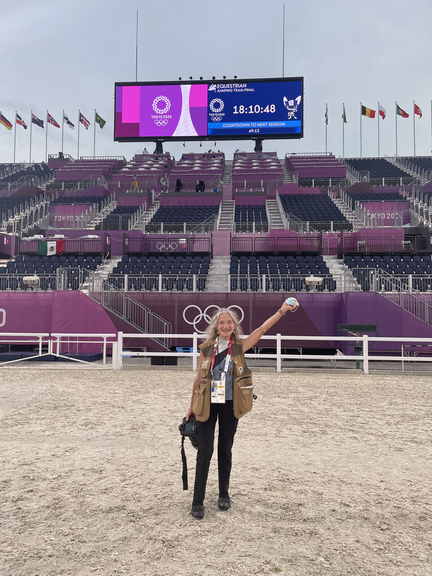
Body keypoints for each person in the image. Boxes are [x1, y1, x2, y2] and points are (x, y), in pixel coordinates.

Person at [186, 298, 299, 519]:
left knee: (225, 449)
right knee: (205, 451)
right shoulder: (206, 348)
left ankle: (223, 494)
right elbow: (198, 378)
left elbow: (262, 329)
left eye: (229, 322)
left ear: (234, 326)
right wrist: (191, 407)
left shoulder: (239, 346)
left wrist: (282, 311)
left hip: (230, 404)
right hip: (207, 403)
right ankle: (197, 501)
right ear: (216, 326)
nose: (226, 326)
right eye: (222, 323)